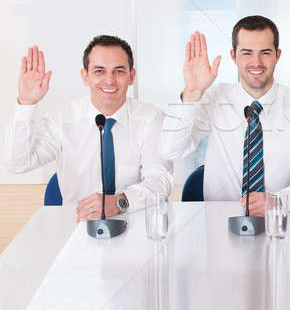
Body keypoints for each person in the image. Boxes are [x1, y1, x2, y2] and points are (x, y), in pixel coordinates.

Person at [160, 15, 290, 216]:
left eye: (265, 53)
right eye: (247, 53)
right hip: (220, 223)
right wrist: (192, 93)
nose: (256, 62)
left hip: (281, 220)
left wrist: (278, 201)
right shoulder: (213, 98)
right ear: (234, 56)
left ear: (278, 55)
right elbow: (170, 150)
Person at [4, 36, 173, 221]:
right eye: (99, 71)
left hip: (137, 224)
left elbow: (160, 181)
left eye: (119, 71)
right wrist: (27, 104)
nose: (109, 80)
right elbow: (17, 164)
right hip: (78, 229)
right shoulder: (62, 120)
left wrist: (120, 201)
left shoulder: (151, 119)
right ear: (85, 76)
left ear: (131, 76)